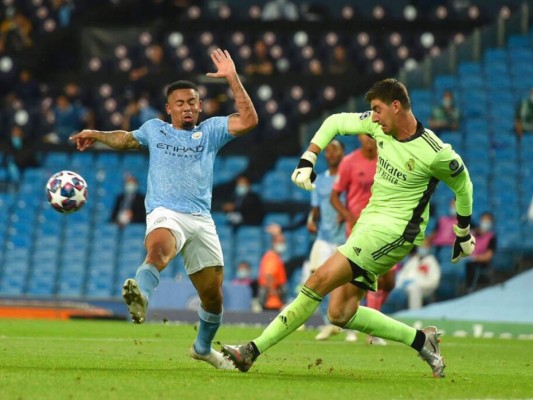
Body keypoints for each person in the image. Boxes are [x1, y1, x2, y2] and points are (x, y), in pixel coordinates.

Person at [222, 78, 476, 379]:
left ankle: (251, 351)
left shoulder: (435, 152)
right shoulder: (380, 127)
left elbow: (464, 185)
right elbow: (336, 121)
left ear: (396, 106)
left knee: (317, 282)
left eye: (378, 110)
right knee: (340, 313)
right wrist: (309, 156)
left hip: (396, 233)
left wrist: (463, 231)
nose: (374, 117)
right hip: (368, 225)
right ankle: (423, 340)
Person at [70, 49, 258, 370]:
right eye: (181, 103)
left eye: (193, 102)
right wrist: (96, 135)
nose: (188, 107)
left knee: (213, 298)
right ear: (168, 108)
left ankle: (202, 347)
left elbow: (250, 120)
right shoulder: (155, 130)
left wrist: (231, 78)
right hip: (165, 211)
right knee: (158, 249)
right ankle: (141, 296)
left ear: (200, 106)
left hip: (200, 218)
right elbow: (125, 139)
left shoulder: (210, 131)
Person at [330, 134, 391, 345]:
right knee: (362, 277)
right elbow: (334, 196)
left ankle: (358, 321)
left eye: (373, 137)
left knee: (387, 281)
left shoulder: (388, 160)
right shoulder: (349, 162)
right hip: (357, 229)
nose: (370, 140)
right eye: (366, 136)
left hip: (382, 227)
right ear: (359, 136)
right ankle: (366, 329)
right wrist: (348, 216)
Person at [304, 140, 354, 341]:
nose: (331, 153)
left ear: (344, 153)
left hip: (346, 238)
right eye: (329, 150)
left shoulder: (350, 178)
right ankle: (328, 322)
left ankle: (349, 326)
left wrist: (346, 213)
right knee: (316, 278)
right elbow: (316, 208)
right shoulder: (321, 181)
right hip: (324, 237)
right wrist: (311, 220)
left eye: (336, 149)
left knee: (350, 283)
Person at [382, 245, 441, 312]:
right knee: (392, 288)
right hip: (405, 286)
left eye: (424, 247)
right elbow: (402, 275)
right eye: (421, 247)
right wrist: (402, 283)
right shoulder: (413, 259)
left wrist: (416, 283)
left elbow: (434, 281)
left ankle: (414, 313)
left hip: (424, 288)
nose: (422, 249)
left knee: (413, 288)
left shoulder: (431, 261)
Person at [257, 224, 288, 311]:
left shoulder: (275, 256)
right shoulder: (272, 256)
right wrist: (273, 291)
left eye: (283, 242)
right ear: (273, 243)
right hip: (271, 300)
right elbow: (268, 275)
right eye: (280, 242)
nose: (282, 244)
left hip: (272, 298)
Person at [465, 212, 497, 293]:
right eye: (484, 220)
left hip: (479, 262)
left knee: (470, 265)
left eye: (488, 221)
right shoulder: (472, 233)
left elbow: (488, 256)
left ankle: (469, 288)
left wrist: (475, 258)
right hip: (467, 258)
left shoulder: (491, 237)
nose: (485, 223)